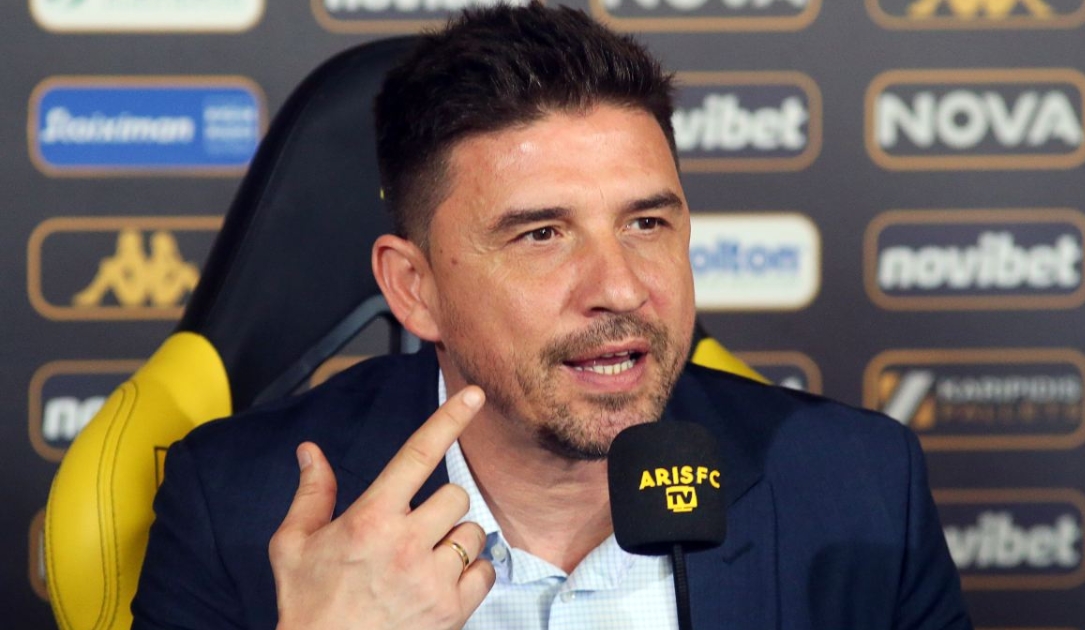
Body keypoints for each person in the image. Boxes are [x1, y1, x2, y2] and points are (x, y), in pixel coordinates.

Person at [131, 5, 972, 629]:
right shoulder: (236, 504)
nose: (621, 288)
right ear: (415, 289)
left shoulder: (861, 488)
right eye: (541, 234)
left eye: (647, 223)